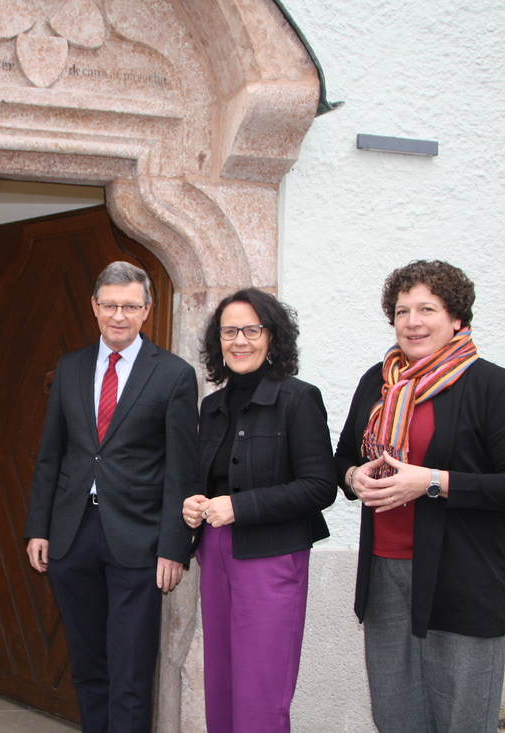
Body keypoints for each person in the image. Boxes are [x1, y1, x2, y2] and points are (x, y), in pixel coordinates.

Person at [334, 260, 505, 733]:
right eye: (402, 310)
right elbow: (341, 458)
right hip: (385, 574)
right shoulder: (379, 382)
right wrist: (353, 477)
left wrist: (431, 481)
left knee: (462, 718)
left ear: (456, 320)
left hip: (461, 576)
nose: (412, 321)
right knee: (396, 715)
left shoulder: (492, 385)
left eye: (427, 308)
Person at [24, 261, 199, 733]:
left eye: (130, 306)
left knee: (130, 669)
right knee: (88, 664)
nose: (118, 315)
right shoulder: (70, 366)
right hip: (72, 534)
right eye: (109, 305)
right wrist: (38, 528)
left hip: (138, 541)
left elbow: (182, 470)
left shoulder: (174, 375)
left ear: (147, 310)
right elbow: (51, 455)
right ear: (94, 308)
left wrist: (174, 545)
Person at [181, 288, 334, 733]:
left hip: (272, 554)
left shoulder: (298, 398)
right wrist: (193, 505)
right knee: (222, 682)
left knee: (261, 689)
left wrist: (239, 507)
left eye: (252, 329)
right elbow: (204, 481)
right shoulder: (211, 406)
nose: (240, 340)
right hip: (214, 551)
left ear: (273, 337)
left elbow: (320, 486)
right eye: (230, 331)